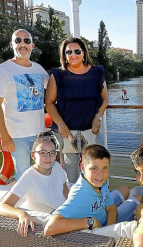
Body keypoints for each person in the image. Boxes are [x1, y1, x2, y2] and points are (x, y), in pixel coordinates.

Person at [0, 29, 49, 180]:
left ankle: (41, 202)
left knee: (44, 171)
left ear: (32, 46)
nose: (23, 44)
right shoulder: (2, 70)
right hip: (17, 135)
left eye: (26, 41)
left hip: (40, 133)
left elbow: (56, 88)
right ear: (11, 45)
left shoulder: (39, 69)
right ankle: (24, 202)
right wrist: (4, 135)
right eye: (18, 41)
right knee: (23, 175)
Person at [45, 37, 108, 183]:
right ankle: (73, 201)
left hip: (91, 130)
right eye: (69, 52)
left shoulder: (97, 72)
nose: (73, 55)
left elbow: (105, 99)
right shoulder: (57, 75)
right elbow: (49, 103)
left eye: (77, 51)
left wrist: (97, 117)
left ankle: (95, 200)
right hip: (66, 132)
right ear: (64, 56)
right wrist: (61, 124)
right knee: (70, 172)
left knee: (95, 168)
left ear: (84, 53)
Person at [44, 144, 142, 236]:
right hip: (100, 224)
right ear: (83, 168)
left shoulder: (98, 183)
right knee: (139, 197)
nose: (101, 174)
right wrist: (90, 221)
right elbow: (50, 228)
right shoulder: (79, 195)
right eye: (94, 168)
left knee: (125, 189)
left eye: (105, 168)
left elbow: (111, 208)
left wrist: (109, 229)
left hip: (105, 216)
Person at [0, 131, 69, 237]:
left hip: (64, 212)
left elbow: (64, 189)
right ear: (33, 155)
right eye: (42, 152)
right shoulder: (29, 177)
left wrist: (71, 206)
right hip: (48, 219)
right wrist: (21, 214)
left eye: (52, 152)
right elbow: (2, 207)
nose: (48, 157)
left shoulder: (57, 166)